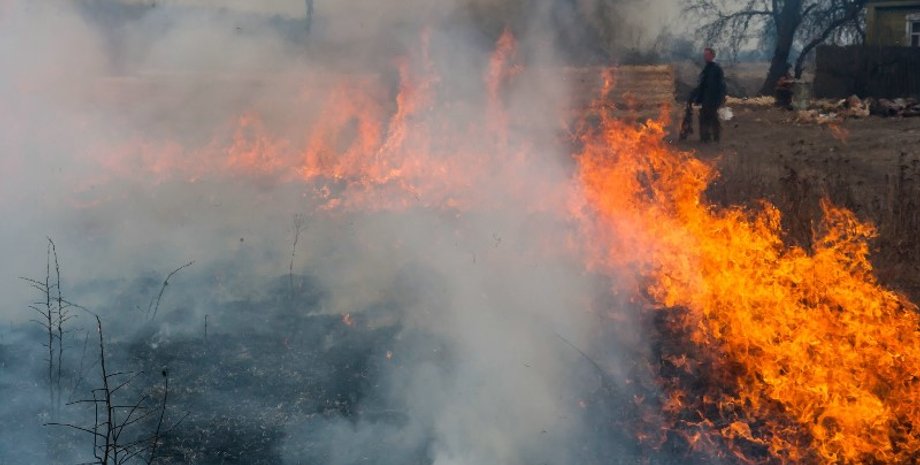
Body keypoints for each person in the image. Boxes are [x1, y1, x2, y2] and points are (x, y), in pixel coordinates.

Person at [690, 47, 727, 142]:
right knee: (703, 117)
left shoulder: (717, 69)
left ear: (712, 56)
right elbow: (702, 85)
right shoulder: (706, 69)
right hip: (706, 99)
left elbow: (721, 86)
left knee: (713, 118)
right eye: (704, 55)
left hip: (714, 99)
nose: (705, 57)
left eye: (707, 55)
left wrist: (720, 99)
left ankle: (716, 137)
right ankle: (704, 138)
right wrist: (697, 98)